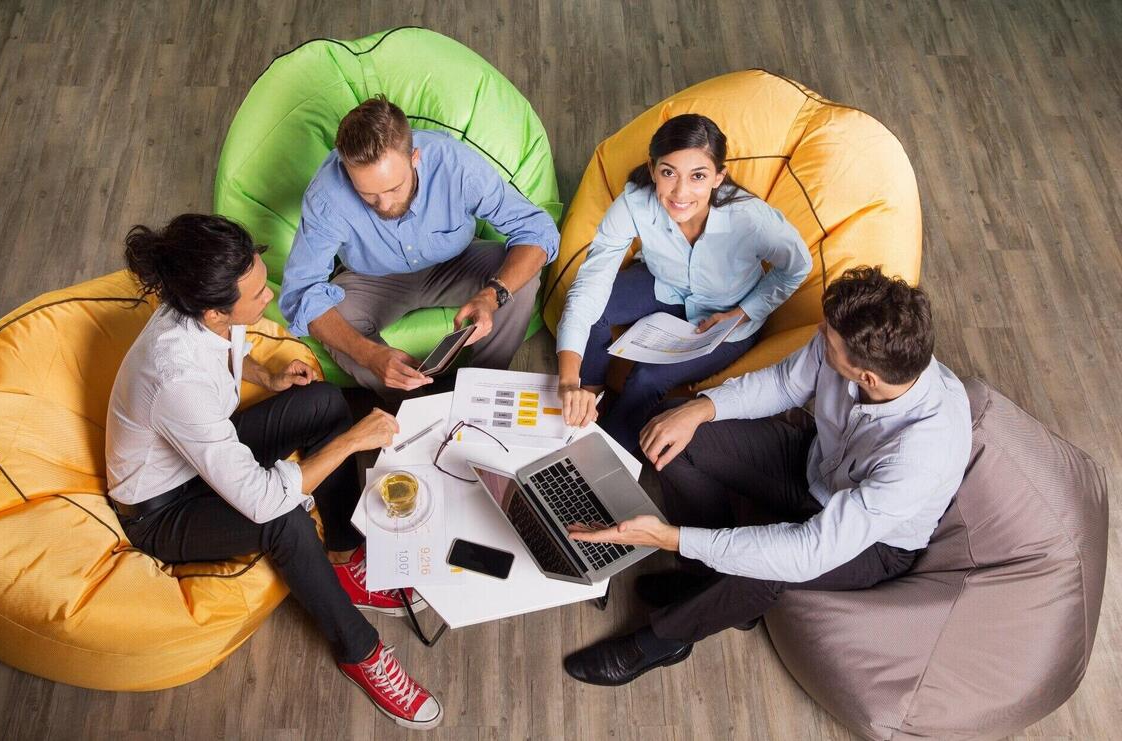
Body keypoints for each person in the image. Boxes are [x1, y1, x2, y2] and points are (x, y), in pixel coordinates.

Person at [105, 214, 442, 730]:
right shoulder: (176, 378)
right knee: (281, 519)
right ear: (215, 310)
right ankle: (361, 652)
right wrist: (354, 440)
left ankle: (344, 562)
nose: (269, 298)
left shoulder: (195, 313)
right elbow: (263, 501)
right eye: (259, 293)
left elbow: (224, 351)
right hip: (163, 510)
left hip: (198, 456)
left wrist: (265, 373)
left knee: (324, 402)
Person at [561, 266, 971, 687]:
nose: (818, 333)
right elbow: (783, 383)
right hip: (814, 463)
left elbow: (811, 551)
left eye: (828, 341)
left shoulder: (921, 453)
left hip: (875, 541)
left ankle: (661, 642)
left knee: (771, 566)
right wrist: (700, 409)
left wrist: (669, 536)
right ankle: (705, 577)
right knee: (675, 431)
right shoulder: (862, 346)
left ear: (867, 377)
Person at [556, 113, 811, 451]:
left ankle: (604, 456)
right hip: (665, 285)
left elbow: (797, 265)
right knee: (594, 313)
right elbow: (589, 286)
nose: (680, 192)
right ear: (652, 170)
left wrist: (744, 312)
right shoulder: (635, 203)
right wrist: (568, 381)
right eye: (668, 173)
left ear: (719, 177)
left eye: (698, 177)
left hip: (728, 321)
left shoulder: (751, 219)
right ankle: (588, 394)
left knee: (646, 379)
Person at [280, 96, 560, 398]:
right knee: (335, 320)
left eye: (393, 188)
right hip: (372, 280)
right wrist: (369, 355)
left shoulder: (455, 164)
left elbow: (536, 230)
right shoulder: (327, 196)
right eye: (368, 195)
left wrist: (492, 296)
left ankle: (481, 391)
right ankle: (414, 410)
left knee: (522, 276)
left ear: (415, 157)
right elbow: (302, 292)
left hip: (456, 262)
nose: (384, 205)